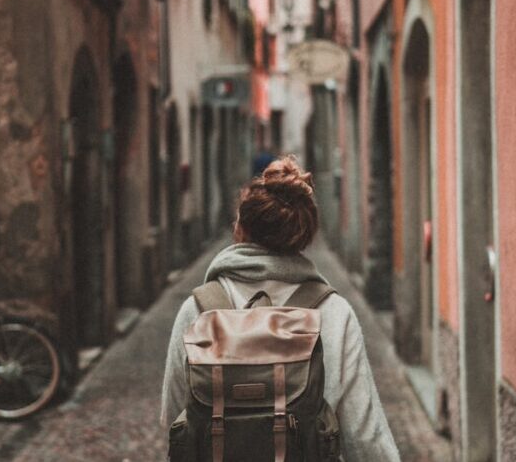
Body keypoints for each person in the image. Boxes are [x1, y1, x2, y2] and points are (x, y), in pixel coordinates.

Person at [160, 156, 400, 462]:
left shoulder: (198, 312)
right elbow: (366, 438)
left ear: (241, 228)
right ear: (304, 234)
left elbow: (174, 416)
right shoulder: (334, 314)